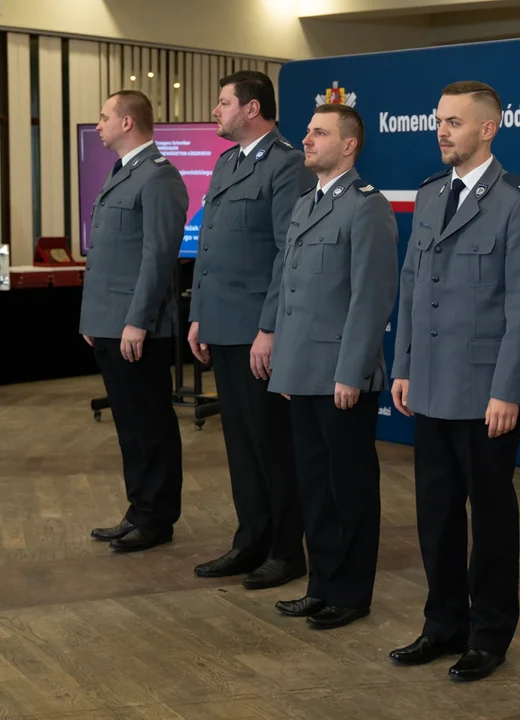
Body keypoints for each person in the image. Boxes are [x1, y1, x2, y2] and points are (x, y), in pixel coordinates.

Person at [388, 81, 520, 681]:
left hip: (487, 393)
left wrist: (509, 388)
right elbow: (412, 286)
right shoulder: (430, 193)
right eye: (439, 120)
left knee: (490, 519)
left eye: (454, 122)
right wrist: (403, 364)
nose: (442, 131)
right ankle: (442, 624)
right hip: (431, 385)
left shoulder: (518, 203)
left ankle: (489, 633)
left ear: (488, 129)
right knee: (435, 514)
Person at [267, 104, 399, 630]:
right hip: (302, 370)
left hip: (342, 374)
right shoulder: (306, 204)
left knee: (350, 489)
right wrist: (285, 362)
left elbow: (371, 297)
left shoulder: (367, 207)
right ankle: (321, 585)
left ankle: (350, 593)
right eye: (307, 131)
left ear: (348, 145)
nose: (307, 139)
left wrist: (352, 371)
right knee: (315, 487)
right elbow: (291, 291)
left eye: (319, 133)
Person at [189, 70, 315, 589]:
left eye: (223, 103)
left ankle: (286, 551)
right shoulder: (227, 163)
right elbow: (210, 246)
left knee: (271, 446)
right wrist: (199, 314)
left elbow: (289, 251)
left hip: (256, 331)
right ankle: (251, 541)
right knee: (240, 446)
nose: (215, 111)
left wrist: (269, 328)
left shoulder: (286, 164)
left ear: (252, 109)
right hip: (221, 324)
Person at [81, 90, 188, 553]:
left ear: (127, 122)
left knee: (150, 424)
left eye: (105, 116)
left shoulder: (159, 176)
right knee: (129, 425)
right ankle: (138, 509)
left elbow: (158, 256)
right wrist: (93, 317)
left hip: (136, 325)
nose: (98, 124)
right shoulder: (122, 171)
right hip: (108, 321)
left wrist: (137, 320)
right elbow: (108, 255)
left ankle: (157, 518)